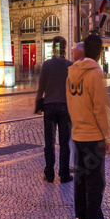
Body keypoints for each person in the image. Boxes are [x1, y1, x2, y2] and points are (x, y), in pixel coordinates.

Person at [66, 34, 110, 219]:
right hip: (93, 135)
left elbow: (70, 104)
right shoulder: (95, 74)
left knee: (81, 179)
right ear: (100, 52)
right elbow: (100, 109)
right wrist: (108, 137)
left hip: (77, 133)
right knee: (96, 182)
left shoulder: (70, 74)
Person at [35, 36, 73, 184]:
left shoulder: (46, 65)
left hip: (49, 107)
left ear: (53, 47)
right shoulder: (70, 66)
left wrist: (38, 106)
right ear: (64, 48)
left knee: (49, 143)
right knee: (64, 143)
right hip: (65, 107)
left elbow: (41, 88)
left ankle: (49, 174)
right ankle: (64, 175)